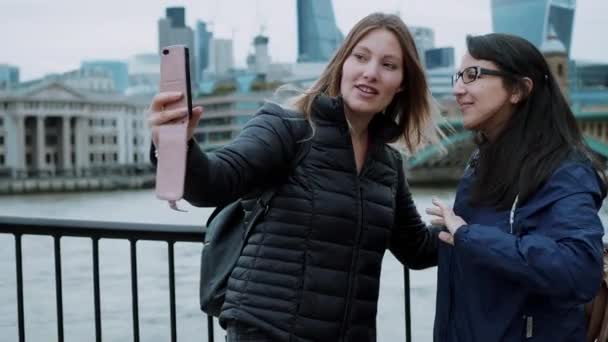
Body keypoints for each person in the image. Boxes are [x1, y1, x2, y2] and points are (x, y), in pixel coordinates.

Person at [148, 12, 441, 342]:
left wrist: (474, 224)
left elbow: (416, 248)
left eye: (388, 65)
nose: (370, 72)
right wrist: (177, 144)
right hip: (267, 330)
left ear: (402, 82)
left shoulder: (387, 163)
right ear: (342, 63)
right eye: (361, 57)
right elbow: (215, 182)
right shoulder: (288, 127)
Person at [426, 33, 607, 341]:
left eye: (473, 75)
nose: (458, 89)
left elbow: (579, 268)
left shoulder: (565, 170)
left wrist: (469, 236)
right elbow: (455, 246)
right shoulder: (480, 163)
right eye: (459, 76)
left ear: (519, 89)